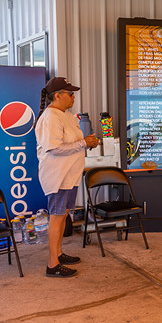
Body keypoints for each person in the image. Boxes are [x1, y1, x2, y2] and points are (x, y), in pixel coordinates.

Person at [35, 77, 99, 277]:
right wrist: (84, 143)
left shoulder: (67, 115)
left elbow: (75, 142)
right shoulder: (51, 117)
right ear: (57, 96)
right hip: (58, 175)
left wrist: (88, 142)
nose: (73, 97)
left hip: (69, 175)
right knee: (56, 217)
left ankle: (59, 253)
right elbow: (54, 149)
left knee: (63, 215)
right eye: (70, 94)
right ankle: (52, 265)